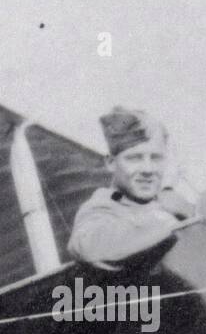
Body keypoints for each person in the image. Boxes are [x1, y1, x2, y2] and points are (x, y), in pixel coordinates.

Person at [67, 107, 196, 271]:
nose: (148, 170)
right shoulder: (102, 206)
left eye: (156, 158)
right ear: (111, 163)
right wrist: (165, 213)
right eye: (134, 158)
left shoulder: (172, 202)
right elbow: (87, 246)